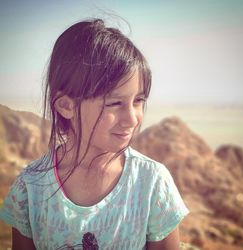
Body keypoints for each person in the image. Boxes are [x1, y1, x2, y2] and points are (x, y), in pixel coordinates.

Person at [0, 18, 189, 250]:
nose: (132, 118)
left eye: (138, 101)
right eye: (114, 103)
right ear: (66, 106)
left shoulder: (151, 184)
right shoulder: (30, 188)